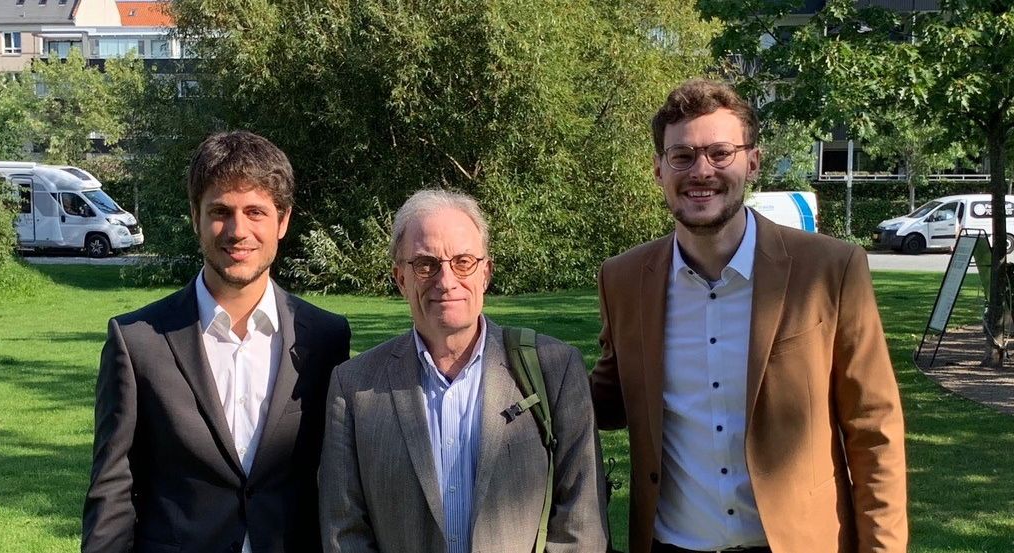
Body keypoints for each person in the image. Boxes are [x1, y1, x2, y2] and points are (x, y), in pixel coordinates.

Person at [590, 79, 907, 553]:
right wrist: (508, 374)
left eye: (720, 153)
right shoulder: (623, 279)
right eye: (682, 156)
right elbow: (609, 399)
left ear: (752, 162)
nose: (701, 171)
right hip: (670, 545)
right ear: (658, 169)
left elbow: (873, 427)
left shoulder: (829, 270)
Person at [82, 131, 351, 553]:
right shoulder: (137, 343)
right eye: (221, 211)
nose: (238, 230)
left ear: (283, 221)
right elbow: (112, 492)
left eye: (256, 212)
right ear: (196, 217)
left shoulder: (326, 339)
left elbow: (340, 482)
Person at [318, 189, 609, 553]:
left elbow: (581, 525)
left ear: (486, 272)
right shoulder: (354, 386)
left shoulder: (555, 368)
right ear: (400, 278)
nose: (446, 281)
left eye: (463, 262)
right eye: (426, 264)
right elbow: (344, 530)